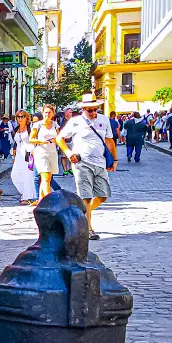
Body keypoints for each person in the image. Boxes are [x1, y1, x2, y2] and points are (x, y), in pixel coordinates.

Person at [55, 94, 117, 241]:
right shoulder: (75, 122)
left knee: (103, 196)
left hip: (100, 162)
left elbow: (109, 140)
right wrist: (69, 152)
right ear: (83, 109)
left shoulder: (104, 120)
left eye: (95, 109)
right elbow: (60, 138)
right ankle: (88, 229)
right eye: (90, 110)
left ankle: (79, 214)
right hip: (81, 163)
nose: (93, 113)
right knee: (86, 197)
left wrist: (114, 159)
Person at [31, 105, 60, 202]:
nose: (47, 114)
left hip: (52, 152)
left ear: (53, 114)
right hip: (41, 152)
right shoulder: (37, 125)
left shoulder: (55, 125)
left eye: (49, 112)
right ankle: (49, 201)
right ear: (43, 113)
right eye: (46, 112)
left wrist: (55, 140)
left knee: (47, 178)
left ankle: (40, 200)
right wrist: (40, 140)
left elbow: (60, 139)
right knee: (46, 177)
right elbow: (31, 139)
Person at [10, 111, 37, 204]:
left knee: (28, 175)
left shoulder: (30, 128)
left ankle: (26, 197)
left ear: (26, 117)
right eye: (18, 117)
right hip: (18, 155)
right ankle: (25, 193)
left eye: (22, 117)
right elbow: (15, 143)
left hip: (28, 154)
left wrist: (34, 153)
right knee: (15, 175)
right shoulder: (16, 129)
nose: (20, 119)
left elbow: (34, 141)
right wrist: (13, 156)